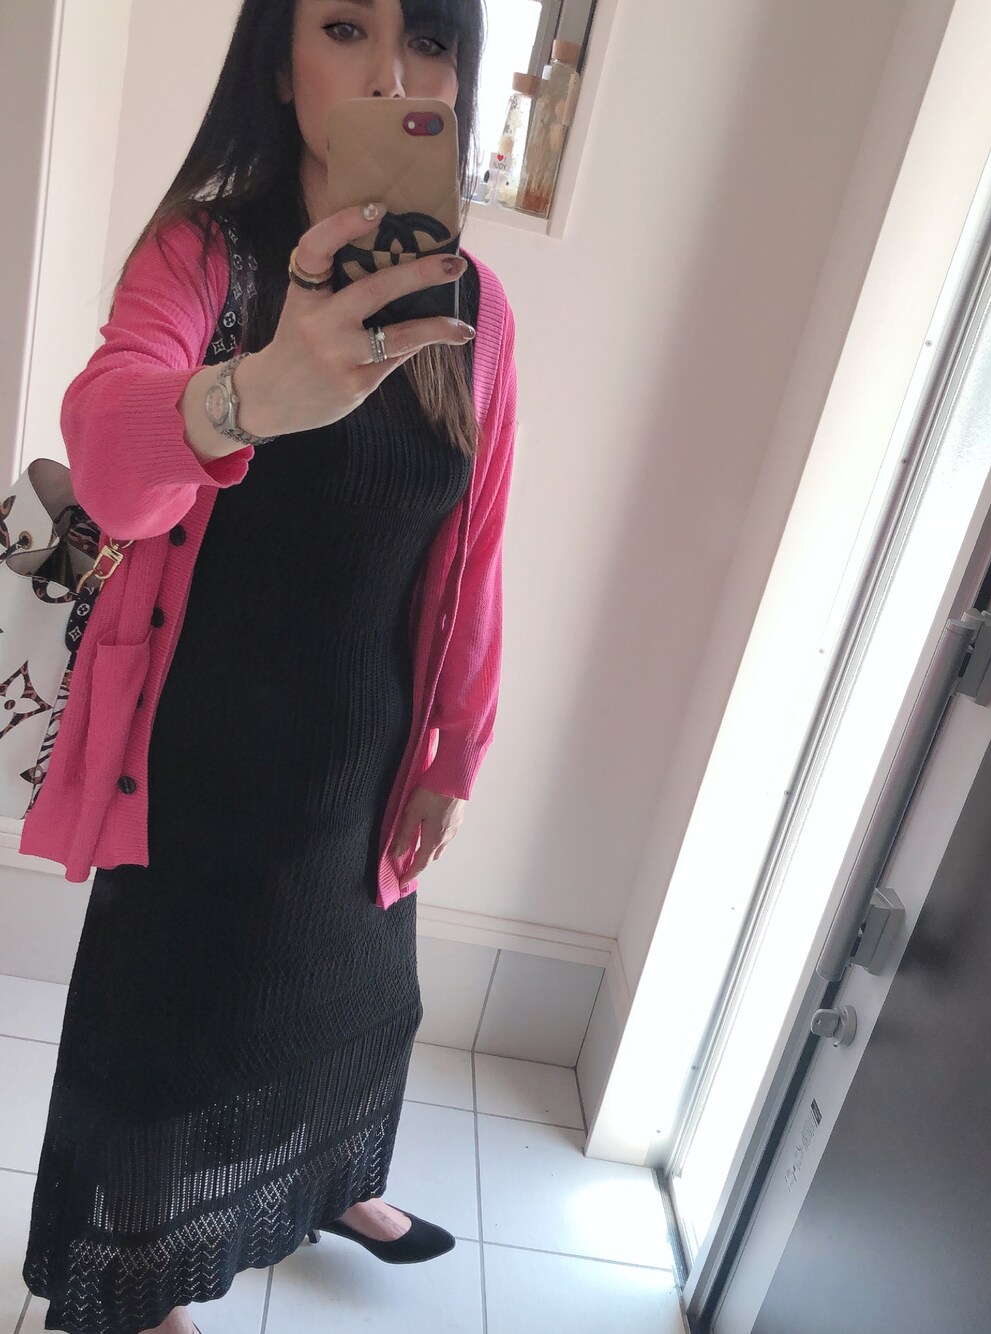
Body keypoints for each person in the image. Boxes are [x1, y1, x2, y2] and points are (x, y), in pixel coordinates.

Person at [18, 0, 517, 1330]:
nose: (392, 74)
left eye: (429, 41)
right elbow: (109, 457)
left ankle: (323, 1186)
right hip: (196, 755)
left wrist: (454, 751)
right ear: (281, 64)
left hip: (361, 753)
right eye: (346, 28)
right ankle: (143, 1284)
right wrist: (250, 393)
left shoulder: (476, 307)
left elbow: (477, 543)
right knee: (171, 1035)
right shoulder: (206, 256)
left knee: (348, 1000)